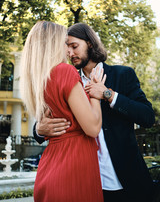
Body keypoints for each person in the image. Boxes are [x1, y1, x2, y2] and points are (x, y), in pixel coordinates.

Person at [33, 22, 155, 202]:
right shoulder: (66, 78)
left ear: (89, 43)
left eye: (74, 46)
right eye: (66, 47)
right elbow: (48, 119)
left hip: (127, 182)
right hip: (86, 182)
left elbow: (147, 117)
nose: (70, 53)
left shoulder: (123, 74)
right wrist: (37, 130)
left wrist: (108, 94)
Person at [20, 21, 104, 202]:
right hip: (73, 167)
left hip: (51, 165)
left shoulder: (38, 80)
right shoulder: (64, 71)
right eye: (64, 43)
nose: (68, 51)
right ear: (53, 44)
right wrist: (96, 93)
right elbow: (93, 128)